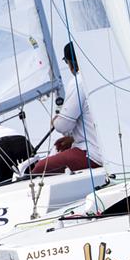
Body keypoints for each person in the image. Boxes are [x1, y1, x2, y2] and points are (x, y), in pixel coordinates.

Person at [30, 42, 102, 174]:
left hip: (95, 156)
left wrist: (55, 120)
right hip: (113, 153)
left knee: (39, 169)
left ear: (71, 63)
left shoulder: (79, 82)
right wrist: (73, 139)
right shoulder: (103, 74)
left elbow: (62, 126)